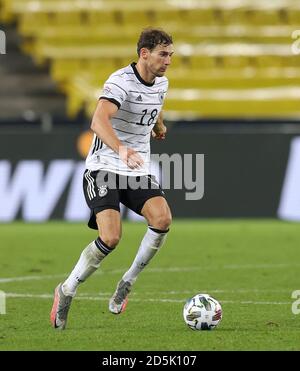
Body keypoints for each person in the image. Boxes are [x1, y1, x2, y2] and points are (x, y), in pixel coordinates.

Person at [50, 28, 174, 330]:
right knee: (111, 237)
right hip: (104, 166)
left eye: (170, 55)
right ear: (144, 54)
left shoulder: (162, 82)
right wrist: (121, 149)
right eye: (163, 54)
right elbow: (98, 119)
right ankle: (66, 290)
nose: (168, 61)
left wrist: (158, 124)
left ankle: (126, 283)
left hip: (136, 170)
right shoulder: (120, 81)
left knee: (162, 219)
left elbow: (153, 102)